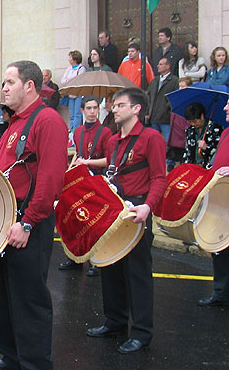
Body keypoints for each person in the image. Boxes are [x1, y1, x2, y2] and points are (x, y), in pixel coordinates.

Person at [0, 61, 67, 370]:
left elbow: (49, 179)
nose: (3, 88)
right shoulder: (14, 124)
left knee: (29, 298)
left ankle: (34, 363)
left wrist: (28, 222)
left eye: (9, 82)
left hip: (28, 219)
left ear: (30, 86)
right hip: (5, 216)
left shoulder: (48, 121)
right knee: (3, 294)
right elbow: (2, 174)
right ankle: (12, 357)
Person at [85, 87, 167, 354]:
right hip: (116, 209)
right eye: (114, 105)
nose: (114, 109)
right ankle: (115, 321)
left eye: (119, 105)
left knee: (138, 273)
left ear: (136, 109)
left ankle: (142, 332)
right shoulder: (112, 140)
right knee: (110, 266)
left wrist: (148, 206)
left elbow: (159, 177)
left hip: (138, 210)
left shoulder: (151, 137)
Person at [59, 96, 113, 276]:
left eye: (95, 108)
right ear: (81, 111)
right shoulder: (78, 131)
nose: (92, 112)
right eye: (88, 108)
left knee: (95, 221)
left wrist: (88, 162)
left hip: (96, 179)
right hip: (80, 180)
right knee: (76, 219)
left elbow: (109, 160)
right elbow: (77, 154)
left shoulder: (105, 132)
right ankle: (75, 257)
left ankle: (95, 260)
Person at [199, 100, 229, 306]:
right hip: (221, 200)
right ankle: (220, 292)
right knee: (220, 247)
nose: (225, 108)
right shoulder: (225, 133)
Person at [147, 58, 179, 143]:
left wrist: (166, 109)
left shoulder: (174, 81)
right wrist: (148, 112)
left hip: (166, 118)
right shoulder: (154, 81)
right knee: (153, 141)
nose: (158, 66)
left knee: (167, 141)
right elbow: (149, 96)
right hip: (153, 117)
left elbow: (174, 98)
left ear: (168, 66)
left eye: (161, 64)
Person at [182, 102, 222, 168]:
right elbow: (187, 151)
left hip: (208, 167)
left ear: (202, 116)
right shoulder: (190, 130)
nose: (192, 124)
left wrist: (207, 147)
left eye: (194, 121)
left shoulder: (215, 129)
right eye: (190, 122)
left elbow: (219, 151)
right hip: (193, 166)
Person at [60, 50, 87, 132]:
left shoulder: (81, 68)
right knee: (71, 115)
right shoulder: (69, 69)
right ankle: (72, 130)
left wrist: (69, 80)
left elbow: (79, 80)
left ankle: (76, 130)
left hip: (78, 93)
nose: (69, 59)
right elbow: (63, 80)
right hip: (71, 94)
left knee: (77, 114)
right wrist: (70, 79)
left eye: (70, 57)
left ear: (75, 59)